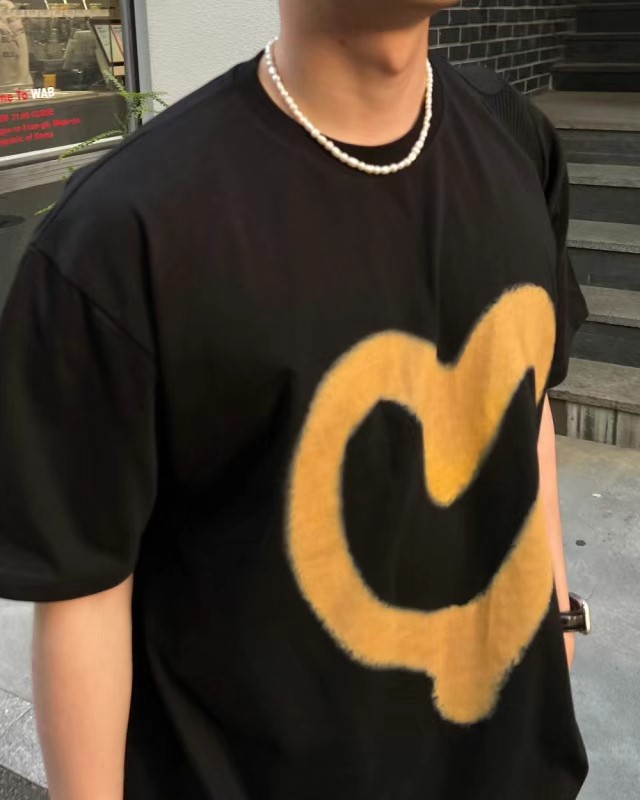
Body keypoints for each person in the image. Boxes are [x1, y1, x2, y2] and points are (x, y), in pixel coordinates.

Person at [0, 0, 590, 797]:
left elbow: (529, 393)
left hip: (512, 767)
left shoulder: (517, 139)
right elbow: (86, 589)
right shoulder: (121, 235)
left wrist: (557, 611)